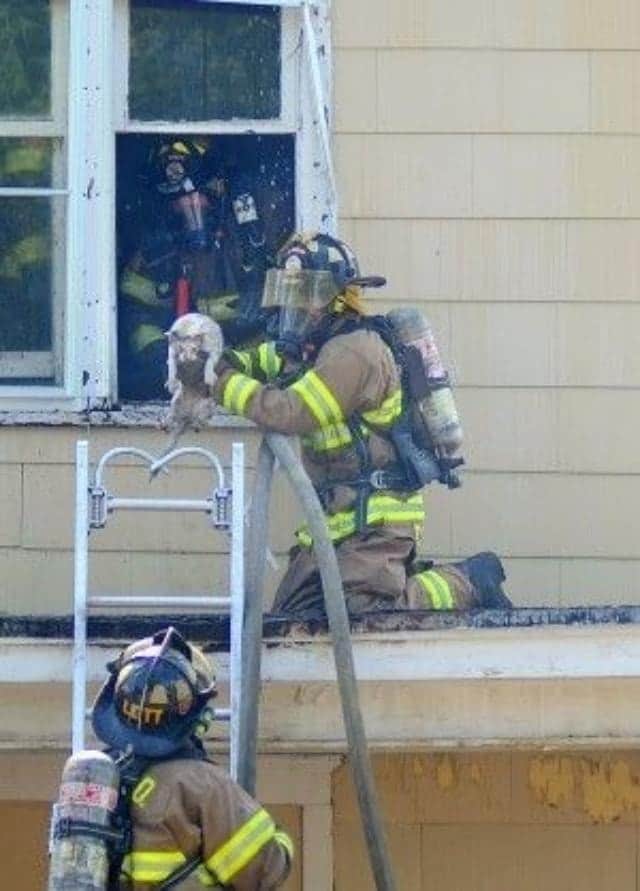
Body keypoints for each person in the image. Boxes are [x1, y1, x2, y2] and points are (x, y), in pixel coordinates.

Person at [213, 232, 513, 617]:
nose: (295, 306)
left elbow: (291, 411)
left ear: (336, 298)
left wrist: (218, 384)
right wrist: (215, 362)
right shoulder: (313, 348)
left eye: (306, 294)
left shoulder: (355, 353)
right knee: (293, 617)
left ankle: (468, 581)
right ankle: (390, 581)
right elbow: (262, 361)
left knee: (365, 612)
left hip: (375, 520)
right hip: (334, 522)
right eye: (290, 293)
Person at [91, 626, 293, 890]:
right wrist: (279, 839)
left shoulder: (92, 778)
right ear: (195, 714)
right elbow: (263, 870)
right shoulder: (202, 784)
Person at [119, 138, 270, 399]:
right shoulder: (153, 254)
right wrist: (165, 358)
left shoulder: (250, 242)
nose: (191, 208)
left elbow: (275, 318)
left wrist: (231, 364)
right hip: (179, 383)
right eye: (181, 201)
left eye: (198, 198)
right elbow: (135, 315)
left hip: (242, 381)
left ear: (218, 194)